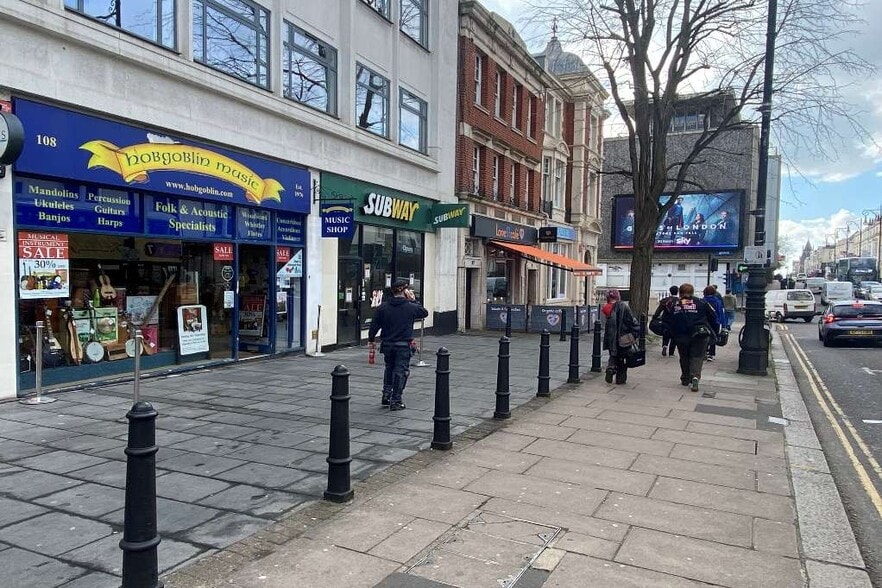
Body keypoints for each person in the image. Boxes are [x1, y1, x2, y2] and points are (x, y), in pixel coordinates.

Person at [368, 278, 428, 411]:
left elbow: (374, 326)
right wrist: (413, 300)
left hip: (387, 344)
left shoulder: (383, 307)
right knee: (401, 372)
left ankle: (386, 395)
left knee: (389, 368)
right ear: (405, 291)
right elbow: (424, 312)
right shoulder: (411, 307)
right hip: (403, 345)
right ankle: (396, 400)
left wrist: (371, 339)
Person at [663, 283, 719, 392]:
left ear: (680, 293)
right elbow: (713, 317)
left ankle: (685, 378)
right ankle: (695, 377)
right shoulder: (701, 302)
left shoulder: (675, 305)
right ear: (692, 292)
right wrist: (714, 332)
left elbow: (669, 321)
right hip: (700, 334)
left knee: (684, 356)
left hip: (681, 335)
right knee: (697, 356)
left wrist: (673, 334)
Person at [601, 289, 639, 385]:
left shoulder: (606, 307)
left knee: (613, 355)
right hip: (623, 337)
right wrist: (635, 333)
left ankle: (610, 368)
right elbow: (631, 321)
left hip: (611, 338)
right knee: (622, 359)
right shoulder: (623, 306)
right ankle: (620, 379)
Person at [652, 285, 679, 357]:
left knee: (666, 334)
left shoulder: (665, 300)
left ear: (670, 292)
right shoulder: (680, 301)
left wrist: (655, 317)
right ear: (677, 292)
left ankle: (664, 346)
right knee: (674, 337)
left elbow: (658, 310)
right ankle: (671, 353)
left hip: (666, 320)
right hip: (676, 321)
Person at [702, 285, 727, 361]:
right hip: (715, 321)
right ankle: (711, 354)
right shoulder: (717, 301)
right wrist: (723, 325)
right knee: (714, 337)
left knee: (704, 336)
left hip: (705, 321)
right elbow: (720, 313)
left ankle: (704, 351)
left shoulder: (702, 300)